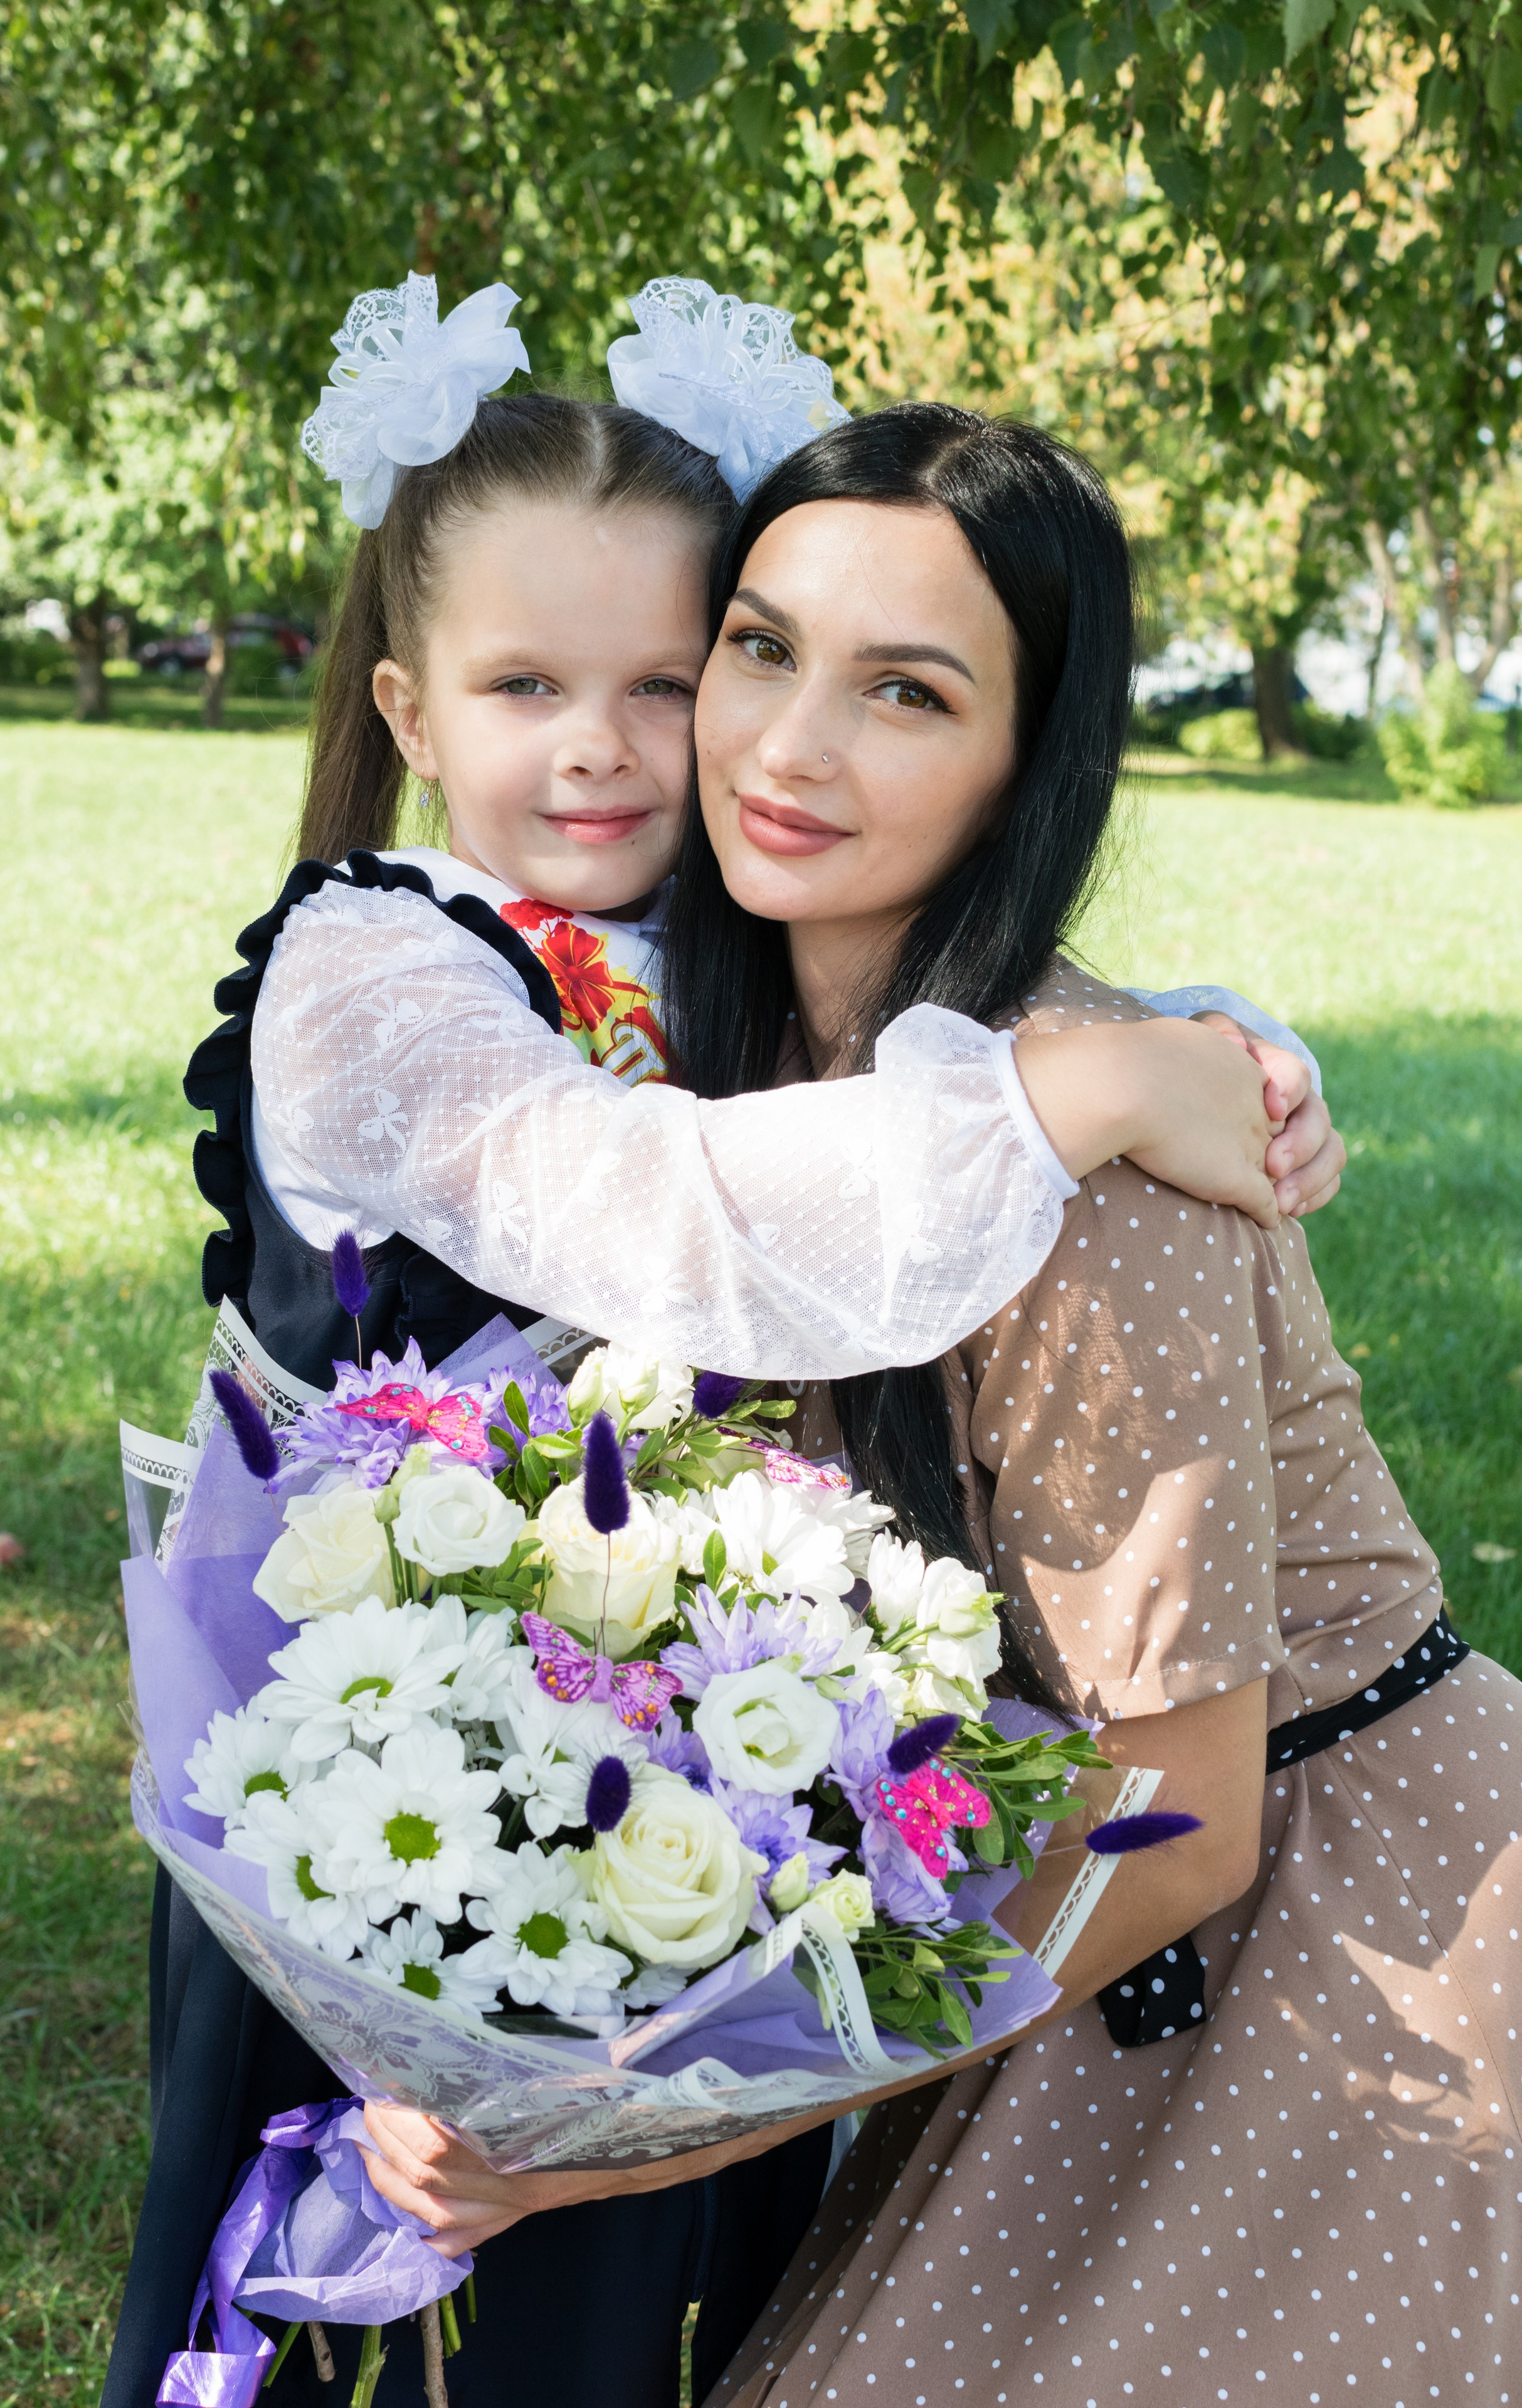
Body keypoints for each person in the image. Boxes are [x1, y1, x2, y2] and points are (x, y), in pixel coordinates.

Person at [104, 275, 1339, 2408]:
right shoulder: (374, 975)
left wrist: (1224, 1049)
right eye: (522, 684)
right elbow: (662, 1212)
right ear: (407, 712)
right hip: (388, 1762)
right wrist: (1093, 1096)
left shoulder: (735, 948)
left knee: (668, 2297)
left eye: (664, 680)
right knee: (369, 2284)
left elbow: (943, 1060)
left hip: (692, 1783)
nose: (600, 742)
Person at [352, 406, 1519, 2408]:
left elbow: (1182, 1820)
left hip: (1334, 1939)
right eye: (761, 646)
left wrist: (644, 2126)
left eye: (907, 691)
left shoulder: (1099, 1185)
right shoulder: (705, 1062)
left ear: (1020, 763)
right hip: (1047, 1901)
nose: (790, 748)